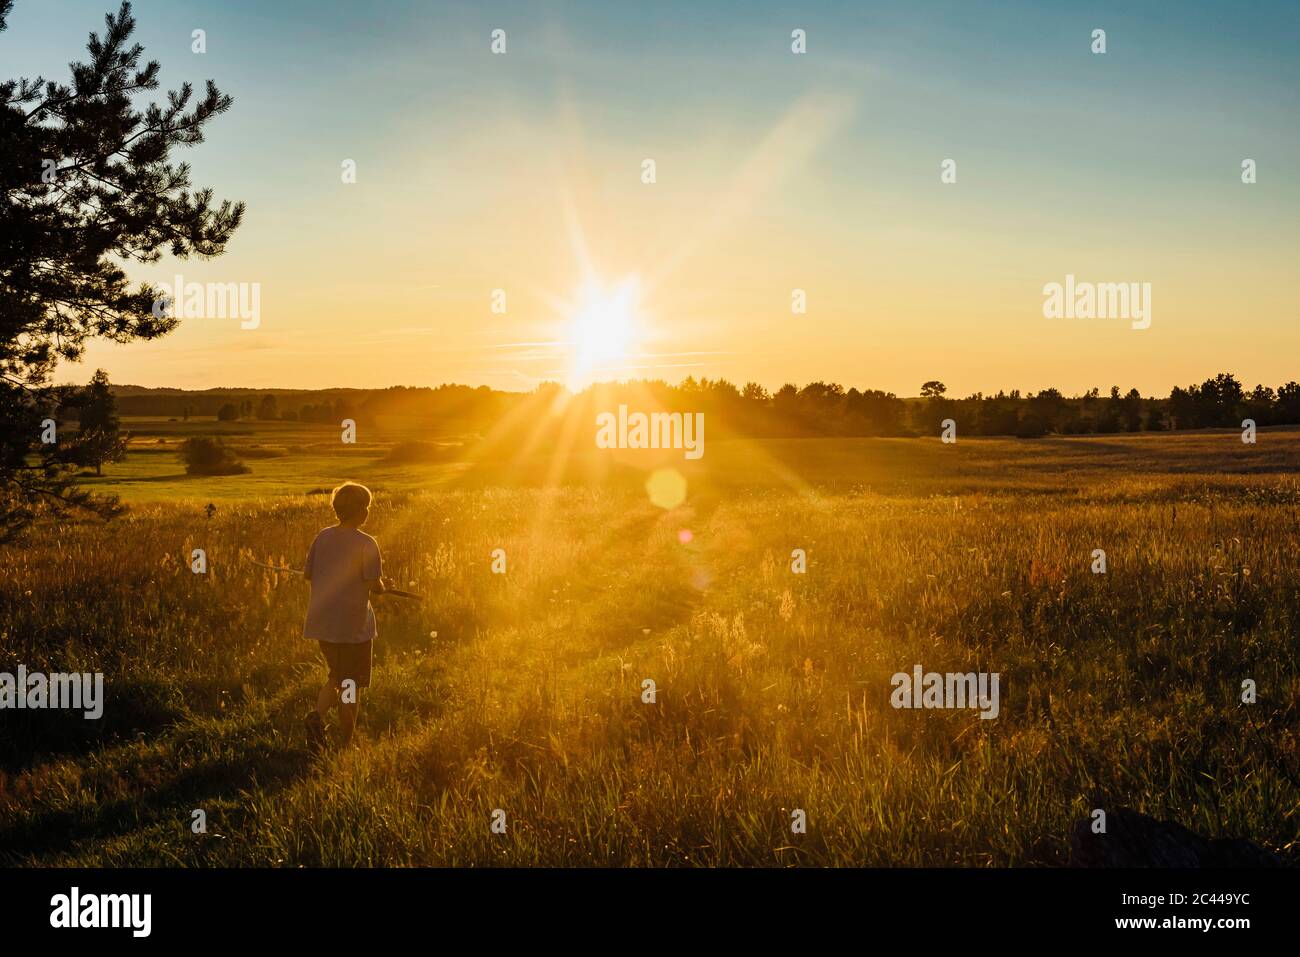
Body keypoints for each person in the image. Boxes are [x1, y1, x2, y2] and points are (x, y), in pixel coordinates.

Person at [302, 481, 390, 748]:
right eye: (367, 507)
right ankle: (346, 743)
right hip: (354, 628)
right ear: (361, 511)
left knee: (337, 675)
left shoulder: (323, 537)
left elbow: (308, 575)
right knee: (352, 684)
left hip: (323, 624)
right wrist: (381, 588)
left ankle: (316, 716)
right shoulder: (367, 543)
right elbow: (375, 586)